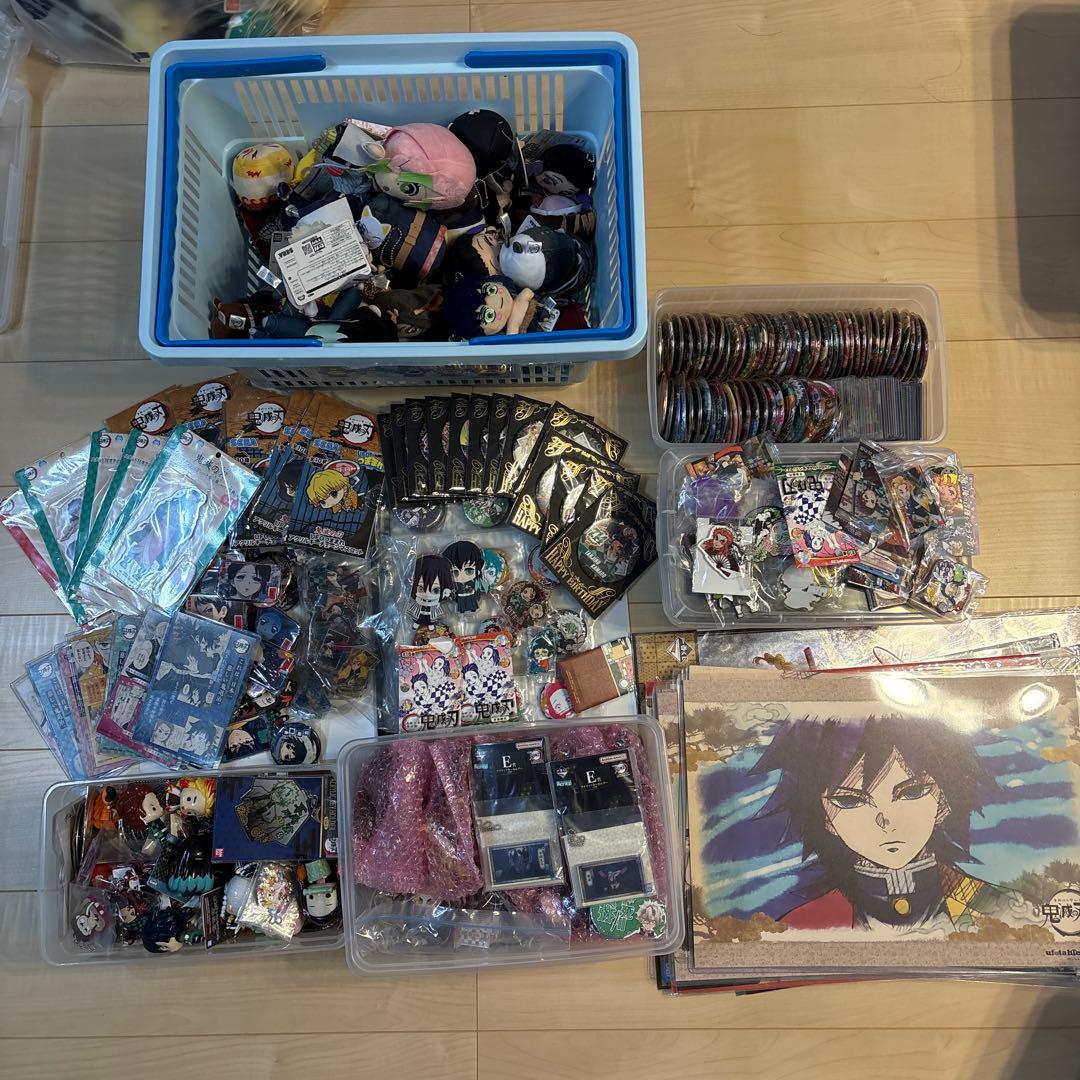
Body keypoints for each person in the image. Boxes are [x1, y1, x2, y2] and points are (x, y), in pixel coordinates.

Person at [751, 713, 1027, 932]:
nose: (885, 821)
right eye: (850, 801)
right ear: (824, 816)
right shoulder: (800, 928)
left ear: (943, 801)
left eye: (911, 792)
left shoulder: (1006, 912)